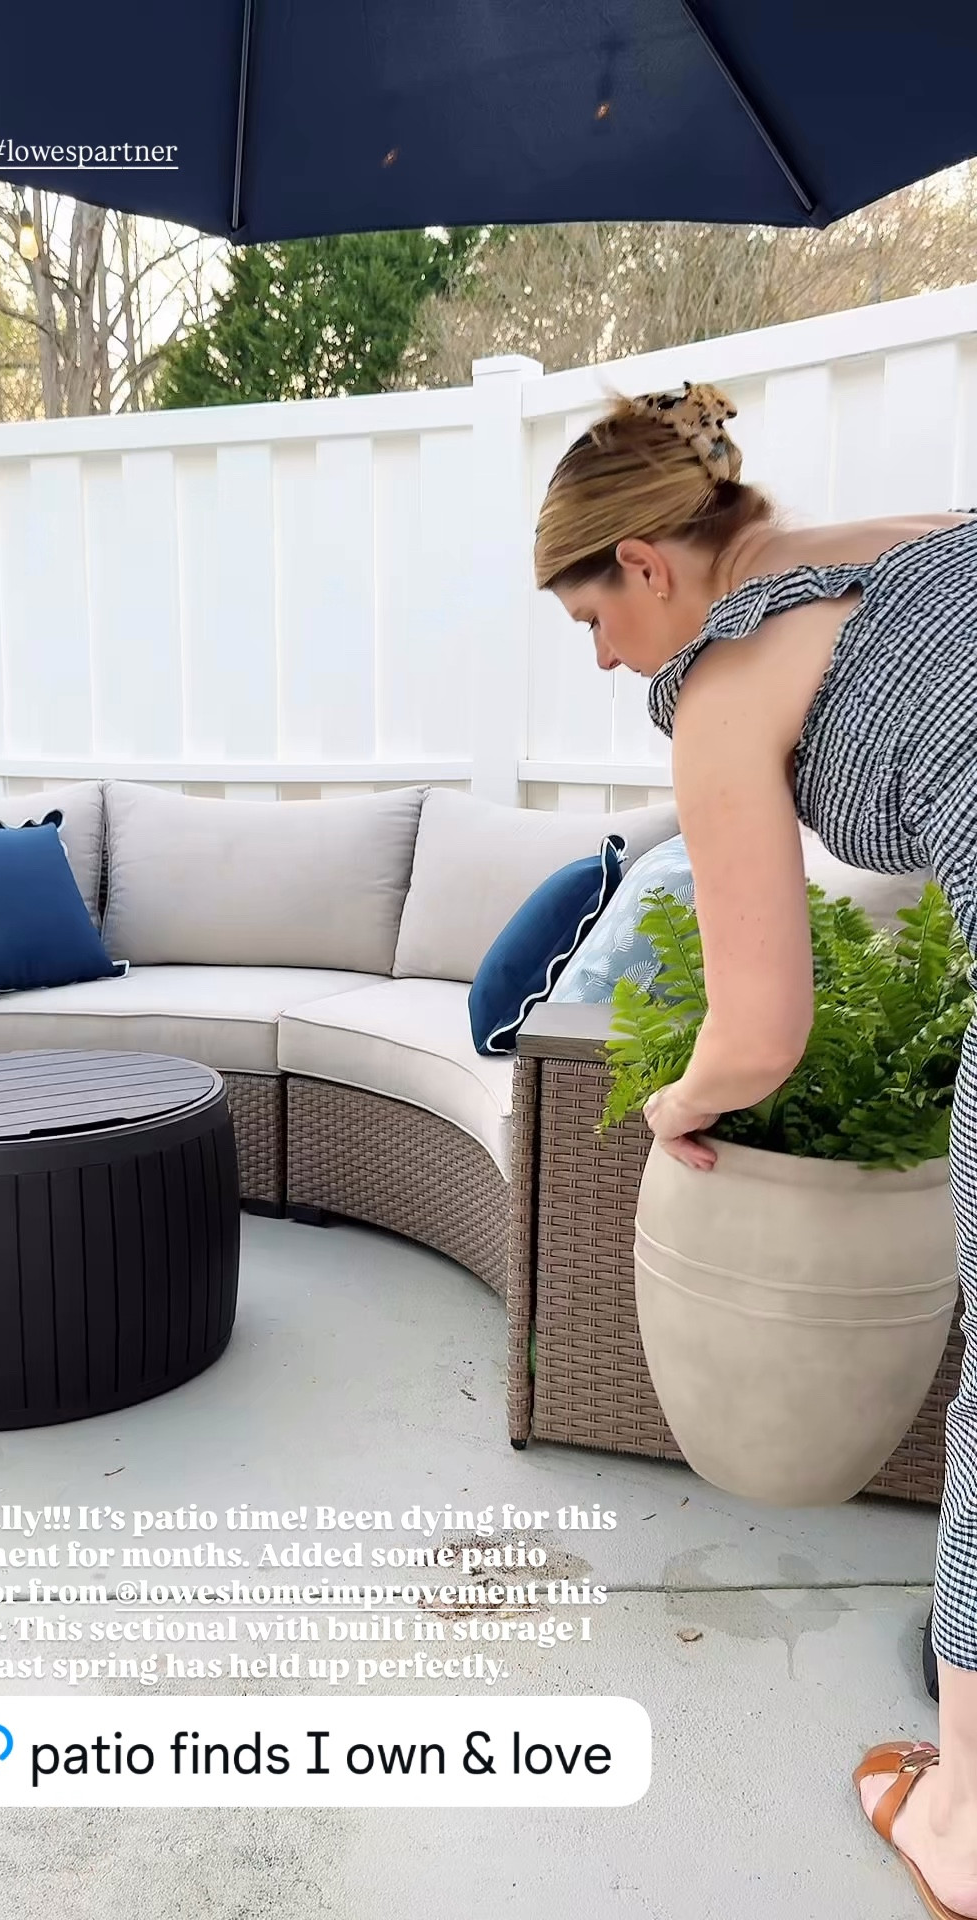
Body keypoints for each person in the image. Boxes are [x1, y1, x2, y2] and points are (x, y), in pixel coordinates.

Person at [533, 382, 977, 1920]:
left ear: (646, 563)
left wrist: (677, 1104)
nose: (605, 657)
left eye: (593, 619)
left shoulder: (727, 688)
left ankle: (961, 1828)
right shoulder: (927, 535)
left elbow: (760, 1032)